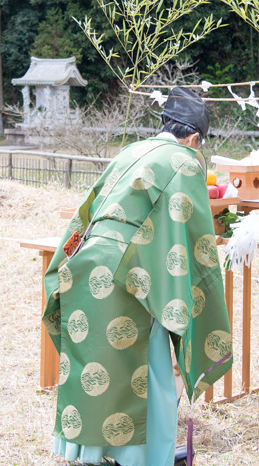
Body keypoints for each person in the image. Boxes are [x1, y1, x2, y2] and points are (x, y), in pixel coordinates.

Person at [44, 87, 233, 466]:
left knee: (95, 367)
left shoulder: (131, 151)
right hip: (130, 271)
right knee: (151, 373)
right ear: (195, 138)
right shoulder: (185, 161)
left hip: (85, 264)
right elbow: (196, 240)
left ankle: (91, 454)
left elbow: (89, 207)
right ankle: (145, 458)